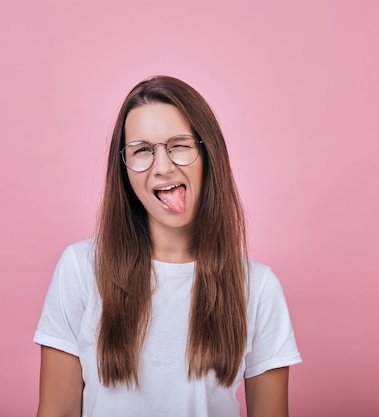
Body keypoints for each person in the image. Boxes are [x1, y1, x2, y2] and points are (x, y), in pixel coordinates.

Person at [34, 75, 302, 417]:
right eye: (142, 151)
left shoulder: (259, 287)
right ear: (124, 170)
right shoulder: (80, 268)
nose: (162, 166)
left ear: (208, 154)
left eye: (179, 145)